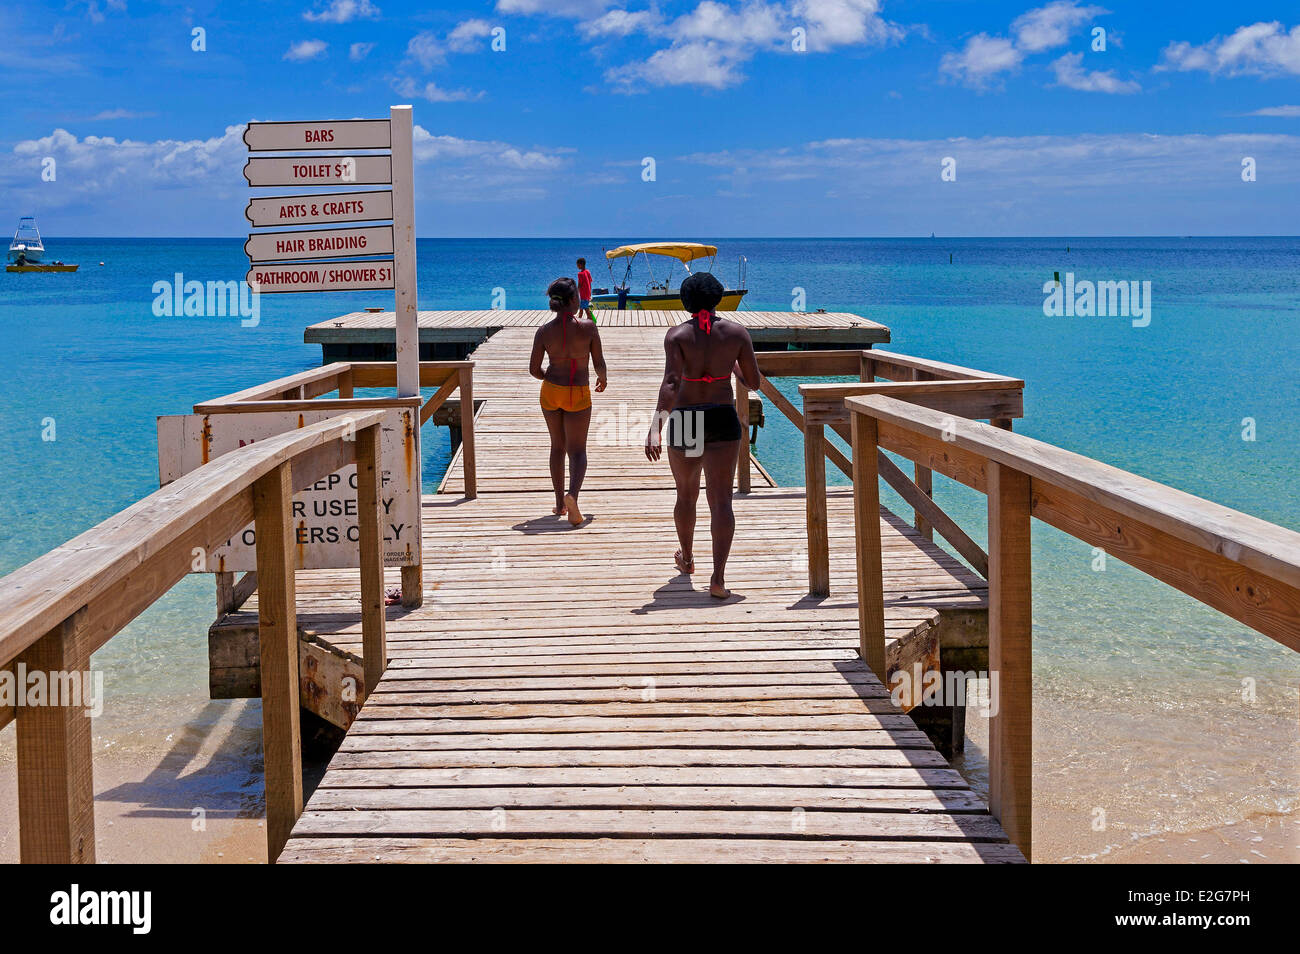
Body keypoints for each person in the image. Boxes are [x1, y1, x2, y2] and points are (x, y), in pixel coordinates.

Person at [644, 272, 760, 599]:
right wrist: (733, 368)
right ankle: (718, 579)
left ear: (686, 301)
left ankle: (688, 558)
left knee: (686, 494)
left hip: (687, 420)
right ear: (718, 298)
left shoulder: (677, 336)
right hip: (722, 418)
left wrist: (656, 427)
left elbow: (671, 383)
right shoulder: (737, 334)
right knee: (721, 500)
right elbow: (754, 382)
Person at [530, 276, 607, 524]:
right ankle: (572, 496)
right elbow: (599, 362)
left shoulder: (543, 332)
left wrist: (548, 378)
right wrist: (602, 379)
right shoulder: (588, 327)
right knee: (577, 450)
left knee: (557, 447)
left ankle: (558, 504)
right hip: (578, 392)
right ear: (574, 300)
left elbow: (533, 369)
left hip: (552, 391)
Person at [576, 257, 595, 321]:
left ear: (581, 264)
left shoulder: (580, 274)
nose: (577, 266)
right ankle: (581, 321)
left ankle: (590, 322)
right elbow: (590, 281)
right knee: (582, 308)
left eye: (578, 265)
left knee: (585, 309)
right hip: (588, 293)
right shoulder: (588, 271)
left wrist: (576, 292)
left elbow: (579, 284)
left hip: (583, 295)